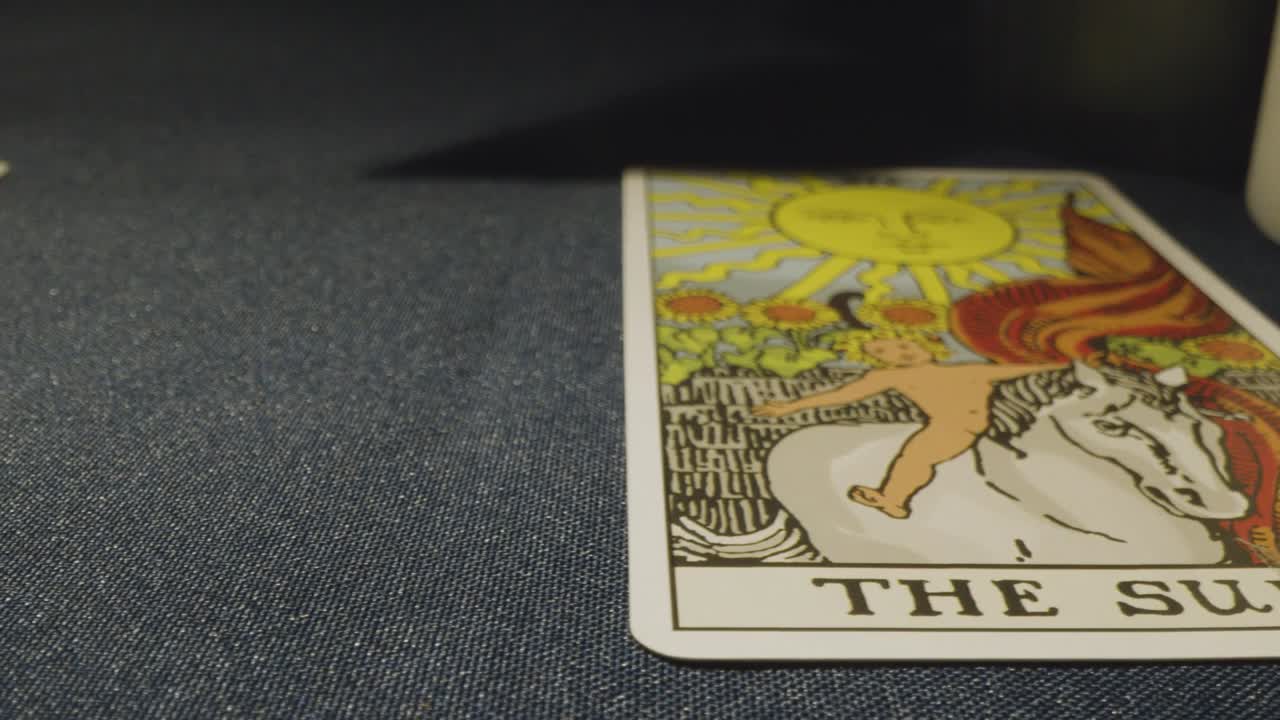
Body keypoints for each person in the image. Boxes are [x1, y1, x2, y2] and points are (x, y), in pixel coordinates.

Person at [752, 329, 1065, 519]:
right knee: (915, 456)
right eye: (881, 352)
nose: (898, 353)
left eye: (904, 345)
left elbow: (1023, 369)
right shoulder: (890, 376)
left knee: (916, 456)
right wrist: (790, 407)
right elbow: (843, 395)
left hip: (970, 427)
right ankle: (894, 501)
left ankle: (893, 500)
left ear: (927, 345)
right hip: (947, 426)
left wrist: (1065, 359)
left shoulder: (969, 370)